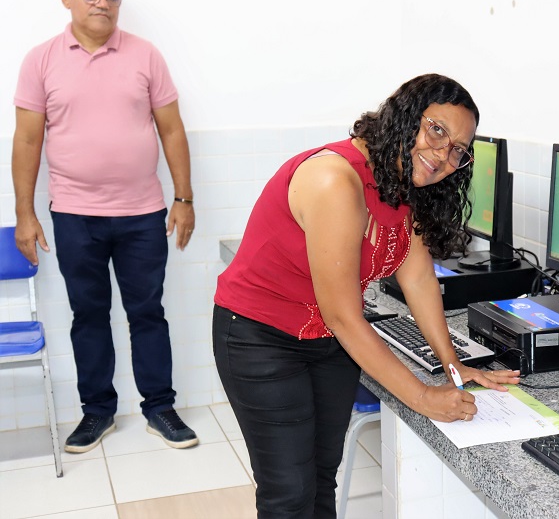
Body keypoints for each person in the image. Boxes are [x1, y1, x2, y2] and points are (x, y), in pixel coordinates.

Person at [213, 73, 521, 518]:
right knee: (288, 492)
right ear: (406, 116)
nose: (443, 154)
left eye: (458, 149)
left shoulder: (401, 183)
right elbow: (343, 316)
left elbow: (417, 280)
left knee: (320, 477)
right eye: (437, 130)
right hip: (260, 337)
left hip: (327, 342)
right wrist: (422, 396)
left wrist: (453, 366)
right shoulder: (335, 179)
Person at [11, 0, 198, 453]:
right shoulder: (41, 60)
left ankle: (159, 407)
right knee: (88, 315)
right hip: (74, 215)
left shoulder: (145, 55)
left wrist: (184, 199)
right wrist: (24, 214)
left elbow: (171, 128)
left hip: (142, 213)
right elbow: (28, 140)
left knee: (147, 314)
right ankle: (97, 412)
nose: (103, 3)